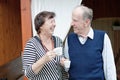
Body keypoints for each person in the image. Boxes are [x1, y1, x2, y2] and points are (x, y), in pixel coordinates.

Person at [63, 5, 117, 80]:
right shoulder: (69, 39)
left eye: (75, 20)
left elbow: (109, 68)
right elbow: (67, 68)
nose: (72, 24)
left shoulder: (102, 37)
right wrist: (64, 64)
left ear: (87, 22)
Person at [22, 11, 67, 80]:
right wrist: (43, 60)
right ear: (41, 26)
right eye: (51, 22)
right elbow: (28, 74)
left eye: (54, 21)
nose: (54, 24)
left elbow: (61, 65)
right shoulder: (31, 44)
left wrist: (64, 62)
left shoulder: (58, 40)